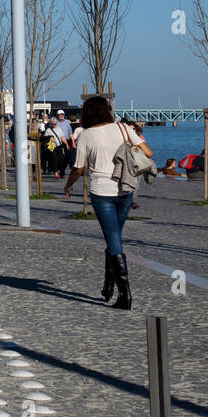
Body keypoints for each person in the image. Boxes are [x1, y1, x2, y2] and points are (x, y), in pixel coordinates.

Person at [64, 96, 152, 310]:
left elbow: (78, 168)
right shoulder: (123, 128)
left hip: (102, 191)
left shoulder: (86, 135)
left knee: (113, 239)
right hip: (125, 189)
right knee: (115, 238)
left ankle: (124, 294)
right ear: (107, 111)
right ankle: (109, 284)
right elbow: (148, 152)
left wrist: (68, 186)